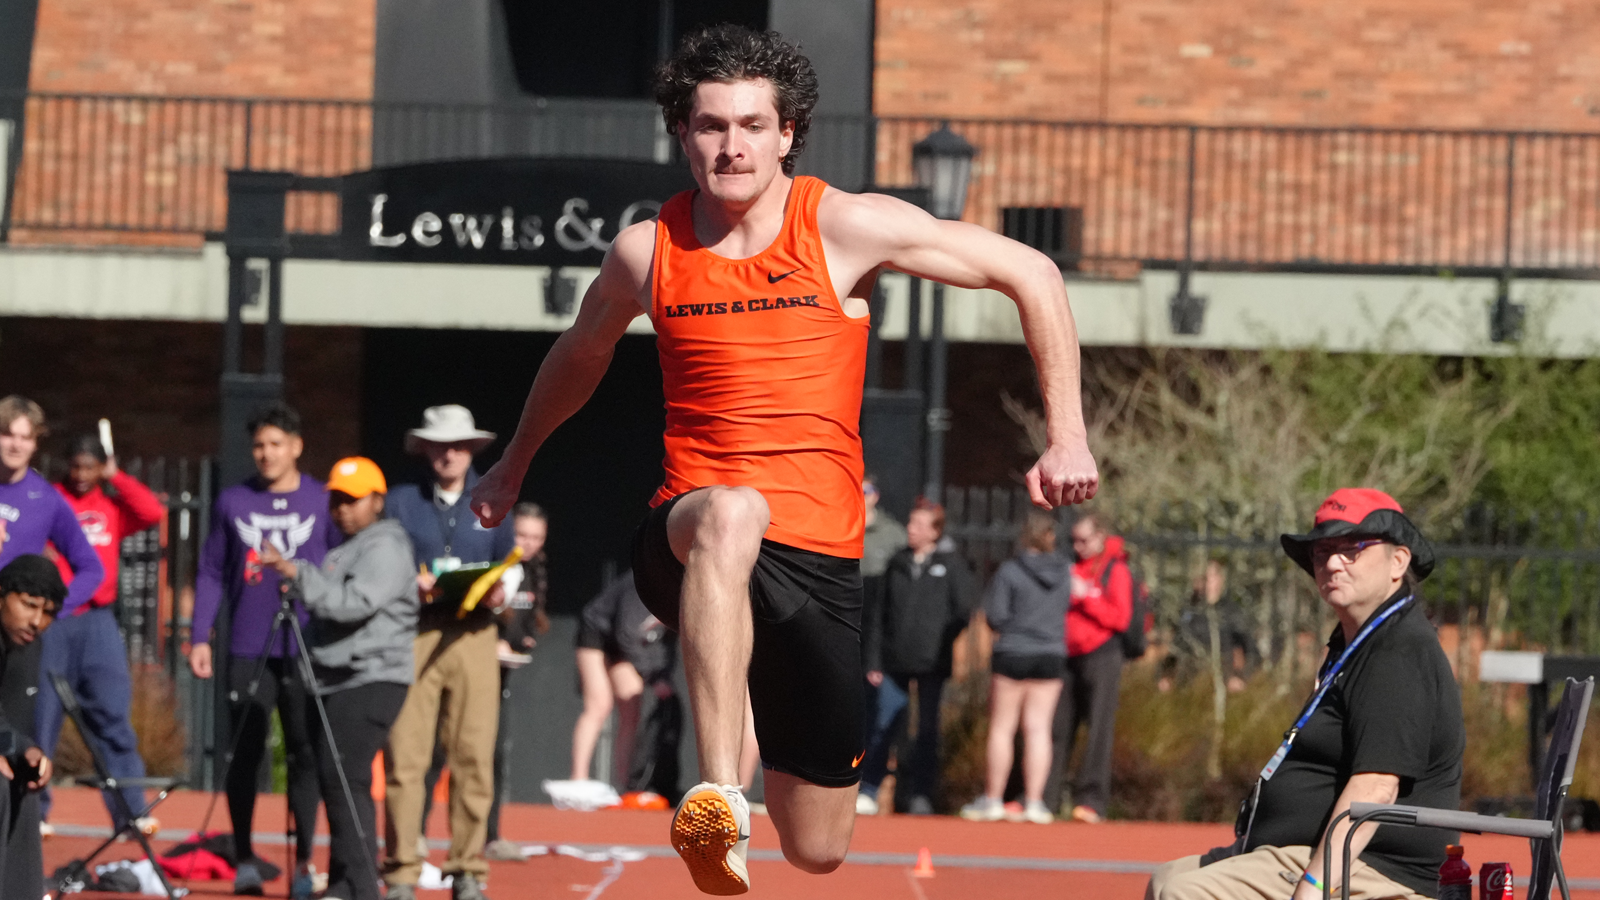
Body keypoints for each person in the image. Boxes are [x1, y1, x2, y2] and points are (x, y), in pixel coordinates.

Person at [468, 24, 1098, 893]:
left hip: (821, 556)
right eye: (712, 125)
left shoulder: (844, 226)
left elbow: (1034, 273)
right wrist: (513, 463)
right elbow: (581, 354)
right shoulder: (646, 252)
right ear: (682, 134)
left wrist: (1065, 433)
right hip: (690, 527)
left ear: (788, 132)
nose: (732, 146)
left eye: (752, 125)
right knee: (733, 512)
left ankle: (761, 788)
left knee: (818, 847)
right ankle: (717, 794)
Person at [1147, 488, 1463, 900]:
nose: (1332, 562)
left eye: (1352, 549)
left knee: (1183, 894)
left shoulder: (1398, 650)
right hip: (1298, 850)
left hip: (1376, 867)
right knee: (1166, 878)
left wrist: (1315, 885)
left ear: (1398, 562)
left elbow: (1376, 788)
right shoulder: (1355, 644)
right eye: (1322, 551)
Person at [190, 402, 335, 898]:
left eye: (276, 444)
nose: (266, 454)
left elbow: (338, 567)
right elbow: (210, 571)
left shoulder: (322, 501)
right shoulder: (233, 501)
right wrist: (198, 636)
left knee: (305, 753)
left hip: (307, 645)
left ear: (296, 446)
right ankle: (246, 858)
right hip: (249, 647)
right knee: (245, 754)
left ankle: (305, 862)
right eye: (259, 445)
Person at [257, 458, 418, 900]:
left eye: (352, 500)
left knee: (344, 776)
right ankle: (347, 881)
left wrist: (297, 573)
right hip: (337, 678)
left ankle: (363, 887)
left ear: (377, 501)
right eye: (336, 500)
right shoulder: (346, 548)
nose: (342, 509)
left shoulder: (385, 547)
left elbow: (351, 604)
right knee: (339, 778)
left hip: (372, 676)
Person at [383, 404, 514, 900]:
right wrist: (407, 581)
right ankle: (401, 870)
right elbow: (386, 559)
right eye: (440, 444)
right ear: (426, 449)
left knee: (473, 754)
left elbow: (509, 564)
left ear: (472, 450)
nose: (450, 453)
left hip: (476, 633)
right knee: (406, 755)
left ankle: (468, 868)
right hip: (417, 632)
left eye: (459, 444)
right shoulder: (400, 502)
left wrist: (501, 590)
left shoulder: (495, 498)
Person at [39, 432, 165, 836]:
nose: (81, 474)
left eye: (90, 466)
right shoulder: (51, 499)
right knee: (40, 720)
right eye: (75, 465)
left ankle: (131, 812)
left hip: (98, 622)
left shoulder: (110, 505)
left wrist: (117, 476)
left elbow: (150, 512)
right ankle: (33, 814)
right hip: (53, 621)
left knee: (113, 718)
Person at [857, 499, 975, 815]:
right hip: (893, 663)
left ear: (935, 532)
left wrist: (942, 640)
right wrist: (873, 661)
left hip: (931, 664)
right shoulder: (896, 563)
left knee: (926, 730)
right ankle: (869, 789)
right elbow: (878, 617)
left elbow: (963, 610)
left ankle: (921, 794)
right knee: (882, 724)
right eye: (911, 523)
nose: (911, 529)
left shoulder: (951, 566)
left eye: (920, 525)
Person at [960, 509, 1068, 824]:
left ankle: (993, 798)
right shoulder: (1065, 572)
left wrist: (1016, 626)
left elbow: (994, 616)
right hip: (1050, 653)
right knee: (1038, 729)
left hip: (1013, 652)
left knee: (1003, 728)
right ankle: (1034, 802)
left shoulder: (1010, 571)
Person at [1044, 512, 1132, 824]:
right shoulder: (1070, 566)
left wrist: (1086, 599)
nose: (1078, 546)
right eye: (1074, 540)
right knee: (1057, 727)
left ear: (1100, 537)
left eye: (1084, 540)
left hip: (1101, 655)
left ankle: (1091, 800)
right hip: (1067, 655)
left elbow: (1120, 618)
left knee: (1098, 730)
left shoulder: (1115, 569)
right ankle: (1046, 798)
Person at [484, 502, 551, 861]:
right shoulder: (495, 566)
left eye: (536, 537)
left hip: (502, 674)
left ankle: (490, 836)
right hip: (473, 671)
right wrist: (489, 640)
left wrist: (522, 640)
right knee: (440, 755)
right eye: (521, 534)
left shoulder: (533, 571)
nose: (528, 543)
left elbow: (526, 621)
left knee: (495, 755)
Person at [0, 556, 63, 898]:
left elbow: (10, 722)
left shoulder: (27, 646)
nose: (37, 620)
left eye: (48, 612)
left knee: (24, 776)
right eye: (28, 605)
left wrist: (31, 752)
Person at [1159, 557, 1254, 693]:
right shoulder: (1189, 610)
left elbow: (1245, 649)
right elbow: (1177, 646)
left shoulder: (1232, 612)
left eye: (1210, 578)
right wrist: (1166, 676)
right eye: (1202, 578)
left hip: (1224, 680)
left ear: (1220, 580)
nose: (1205, 583)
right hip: (1190, 680)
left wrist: (1238, 676)